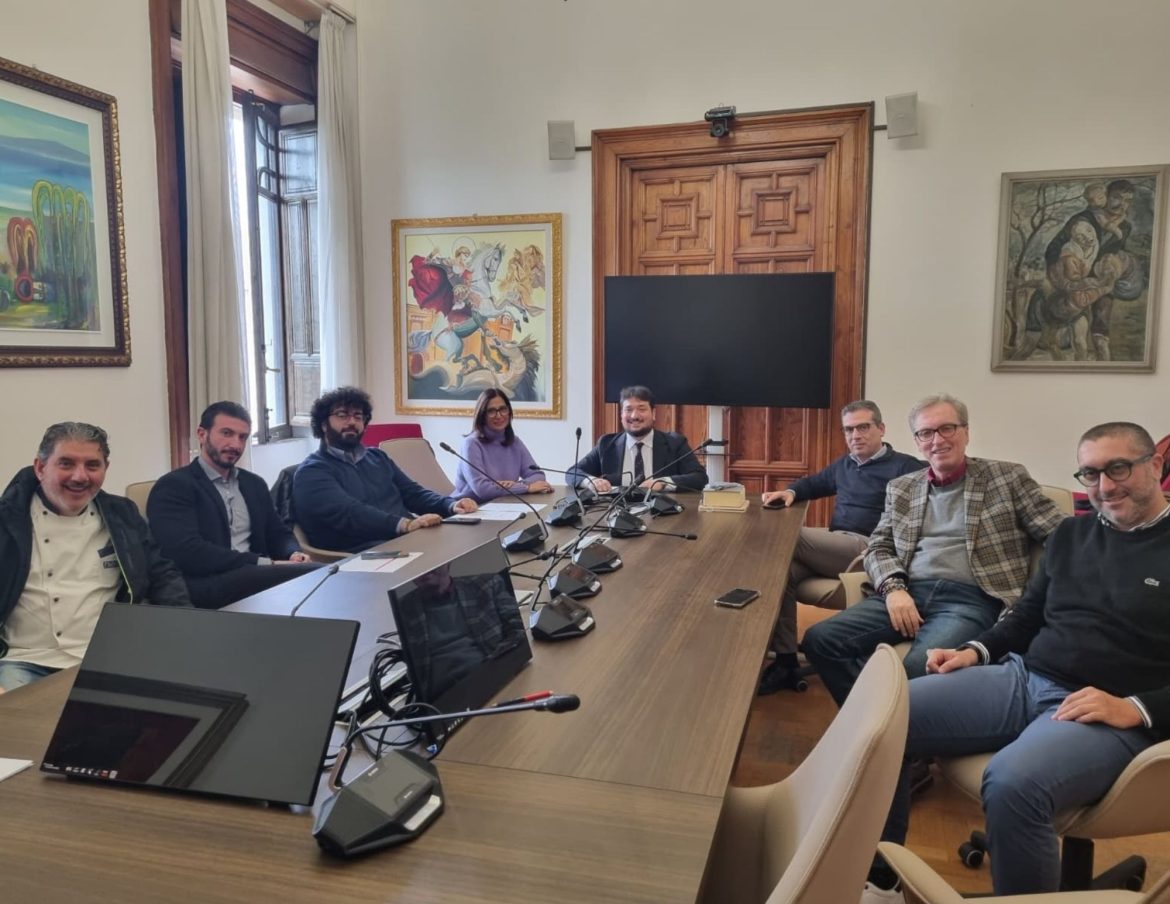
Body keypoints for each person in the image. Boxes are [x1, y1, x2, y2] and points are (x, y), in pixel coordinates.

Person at [863, 422, 1170, 902]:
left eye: (1118, 468)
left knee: (1013, 784)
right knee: (880, 718)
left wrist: (1134, 708)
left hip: (1108, 711)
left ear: (1155, 464)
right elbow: (1027, 615)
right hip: (1027, 678)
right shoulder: (1071, 534)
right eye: (1090, 474)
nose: (1105, 486)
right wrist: (974, 651)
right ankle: (881, 882)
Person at [802, 393, 1065, 706]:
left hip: (970, 599)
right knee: (820, 641)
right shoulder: (902, 487)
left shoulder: (1006, 477)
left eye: (947, 428)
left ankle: (888, 724)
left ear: (966, 432)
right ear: (917, 441)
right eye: (926, 433)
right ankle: (876, 719)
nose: (937, 440)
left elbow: (1061, 535)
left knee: (918, 670)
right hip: (908, 592)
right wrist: (893, 589)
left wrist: (1041, 594)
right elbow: (878, 546)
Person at [0, 422, 190, 692]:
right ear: (40, 468)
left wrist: (185, 633)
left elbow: (162, 575)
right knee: (17, 717)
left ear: (105, 468)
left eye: (92, 465)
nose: (80, 476)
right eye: (66, 464)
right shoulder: (6, 521)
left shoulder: (122, 514)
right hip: (23, 659)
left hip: (106, 655)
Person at [757, 400, 924, 694]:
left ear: (881, 429)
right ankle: (785, 661)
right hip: (835, 545)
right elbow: (814, 483)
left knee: (786, 535)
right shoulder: (845, 464)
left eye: (863, 427)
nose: (855, 435)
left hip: (869, 550)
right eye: (849, 430)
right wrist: (791, 491)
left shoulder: (905, 467)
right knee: (782, 571)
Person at [147, 401, 320, 608]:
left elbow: (278, 533)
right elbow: (186, 552)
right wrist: (263, 563)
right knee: (319, 575)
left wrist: (293, 553)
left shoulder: (254, 484)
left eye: (242, 437)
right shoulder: (174, 486)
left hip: (254, 576)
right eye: (226, 433)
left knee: (317, 576)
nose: (236, 445)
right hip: (205, 583)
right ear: (202, 434)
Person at [293, 386, 477, 552]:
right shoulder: (312, 472)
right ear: (323, 424)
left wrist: (451, 505)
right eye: (342, 415)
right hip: (362, 554)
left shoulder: (377, 457)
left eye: (358, 416)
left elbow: (413, 494)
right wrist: (405, 525)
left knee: (471, 547)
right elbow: (351, 514)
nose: (352, 422)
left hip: (405, 541)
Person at [567, 385, 708, 493]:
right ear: (621, 415)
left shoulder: (674, 443)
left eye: (641, 409)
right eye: (628, 410)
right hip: (616, 513)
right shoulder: (606, 444)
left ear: (653, 413)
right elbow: (572, 472)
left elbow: (700, 477)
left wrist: (663, 483)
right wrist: (591, 481)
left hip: (662, 513)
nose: (634, 416)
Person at [452, 389, 554, 503]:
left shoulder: (514, 442)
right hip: (468, 507)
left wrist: (516, 485)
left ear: (509, 412)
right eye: (491, 411)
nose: (499, 415)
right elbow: (482, 490)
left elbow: (538, 475)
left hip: (503, 505)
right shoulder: (471, 444)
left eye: (503, 409)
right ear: (482, 415)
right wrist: (526, 488)